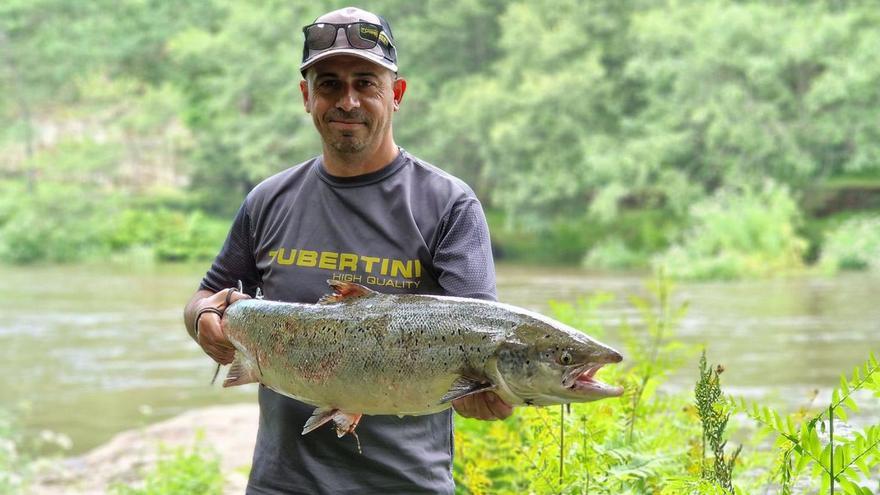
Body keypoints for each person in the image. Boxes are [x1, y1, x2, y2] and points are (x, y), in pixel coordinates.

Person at [183, 6, 512, 494]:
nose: (348, 100)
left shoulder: (448, 204)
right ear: (306, 96)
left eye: (366, 82)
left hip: (404, 484)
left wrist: (484, 392)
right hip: (282, 482)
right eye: (329, 84)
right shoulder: (268, 200)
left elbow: (478, 337)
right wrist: (203, 321)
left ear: (396, 94)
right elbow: (208, 296)